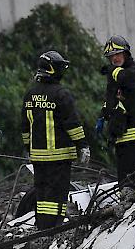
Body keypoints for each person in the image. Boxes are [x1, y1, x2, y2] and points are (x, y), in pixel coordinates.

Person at [21, 50, 90, 230]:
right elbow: (72, 125)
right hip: (59, 157)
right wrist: (82, 146)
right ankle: (54, 228)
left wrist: (28, 149)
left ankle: (42, 226)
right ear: (53, 70)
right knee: (57, 195)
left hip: (37, 158)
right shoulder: (61, 94)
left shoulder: (30, 95)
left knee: (42, 193)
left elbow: (24, 127)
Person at [97, 35, 135, 186]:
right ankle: (126, 205)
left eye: (118, 54)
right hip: (120, 135)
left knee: (133, 180)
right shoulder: (115, 74)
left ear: (126, 53)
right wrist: (103, 115)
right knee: (123, 181)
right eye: (111, 56)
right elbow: (111, 99)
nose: (115, 58)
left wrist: (112, 70)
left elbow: (125, 79)